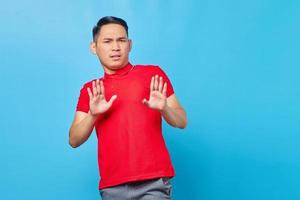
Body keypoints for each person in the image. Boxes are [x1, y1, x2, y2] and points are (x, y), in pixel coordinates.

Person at [69, 16, 187, 200]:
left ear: (129, 44)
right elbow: (74, 140)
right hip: (112, 186)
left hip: (153, 182)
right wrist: (92, 115)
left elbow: (181, 121)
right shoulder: (91, 90)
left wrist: (164, 108)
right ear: (94, 47)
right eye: (107, 41)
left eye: (121, 40)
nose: (116, 47)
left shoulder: (152, 74)